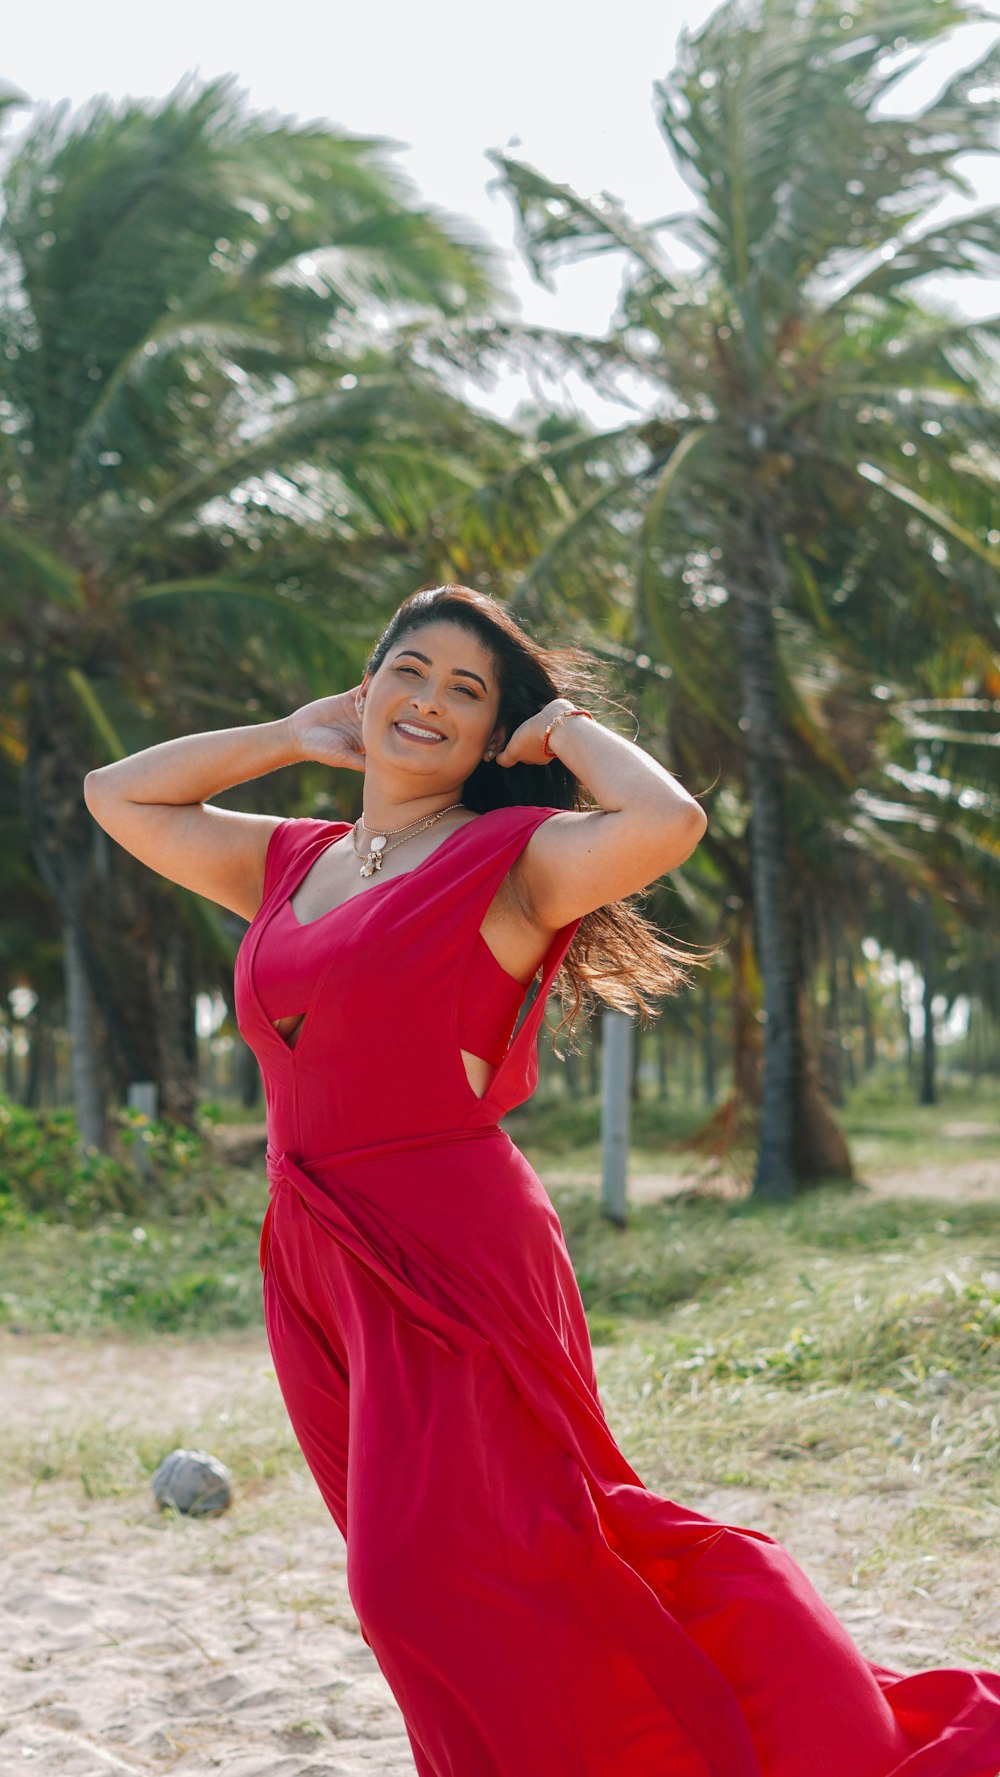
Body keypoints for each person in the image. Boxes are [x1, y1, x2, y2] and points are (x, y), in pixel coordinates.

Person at [84, 583, 1000, 1777]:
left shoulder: (511, 859)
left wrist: (559, 727)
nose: (429, 702)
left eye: (467, 692)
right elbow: (118, 794)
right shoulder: (287, 862)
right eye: (408, 671)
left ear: (487, 735)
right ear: (369, 688)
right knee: (454, 1580)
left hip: (449, 1244)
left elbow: (664, 821)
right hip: (312, 1255)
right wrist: (291, 733)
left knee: (433, 1571)